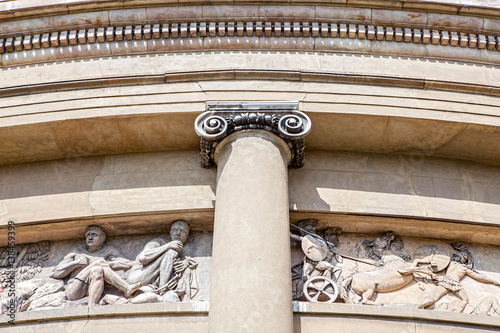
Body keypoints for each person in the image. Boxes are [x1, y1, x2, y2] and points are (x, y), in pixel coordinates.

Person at [51, 225, 142, 306]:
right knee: (99, 264)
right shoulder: (76, 253)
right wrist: (76, 263)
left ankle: (92, 305)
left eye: (94, 235)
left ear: (102, 238)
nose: (90, 237)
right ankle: (126, 288)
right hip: (74, 291)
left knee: (97, 269)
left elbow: (127, 263)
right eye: (88, 235)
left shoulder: (108, 251)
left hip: (92, 289)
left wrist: (109, 264)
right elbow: (55, 273)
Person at [126, 220, 198, 301]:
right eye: (175, 230)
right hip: (137, 278)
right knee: (171, 253)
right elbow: (143, 258)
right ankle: (163, 292)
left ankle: (185, 298)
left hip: (149, 284)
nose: (178, 233)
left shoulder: (185, 250)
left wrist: (185, 263)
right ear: (170, 232)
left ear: (187, 235)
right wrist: (168, 246)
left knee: (186, 268)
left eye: (182, 231)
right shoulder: (158, 242)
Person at [419, 243, 500, 312]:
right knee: (465, 300)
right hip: (456, 284)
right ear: (464, 260)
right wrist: (493, 281)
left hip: (444, 281)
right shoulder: (464, 268)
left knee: (434, 297)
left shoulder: (450, 263)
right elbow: (478, 277)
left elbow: (439, 264)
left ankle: (421, 305)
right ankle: (457, 313)